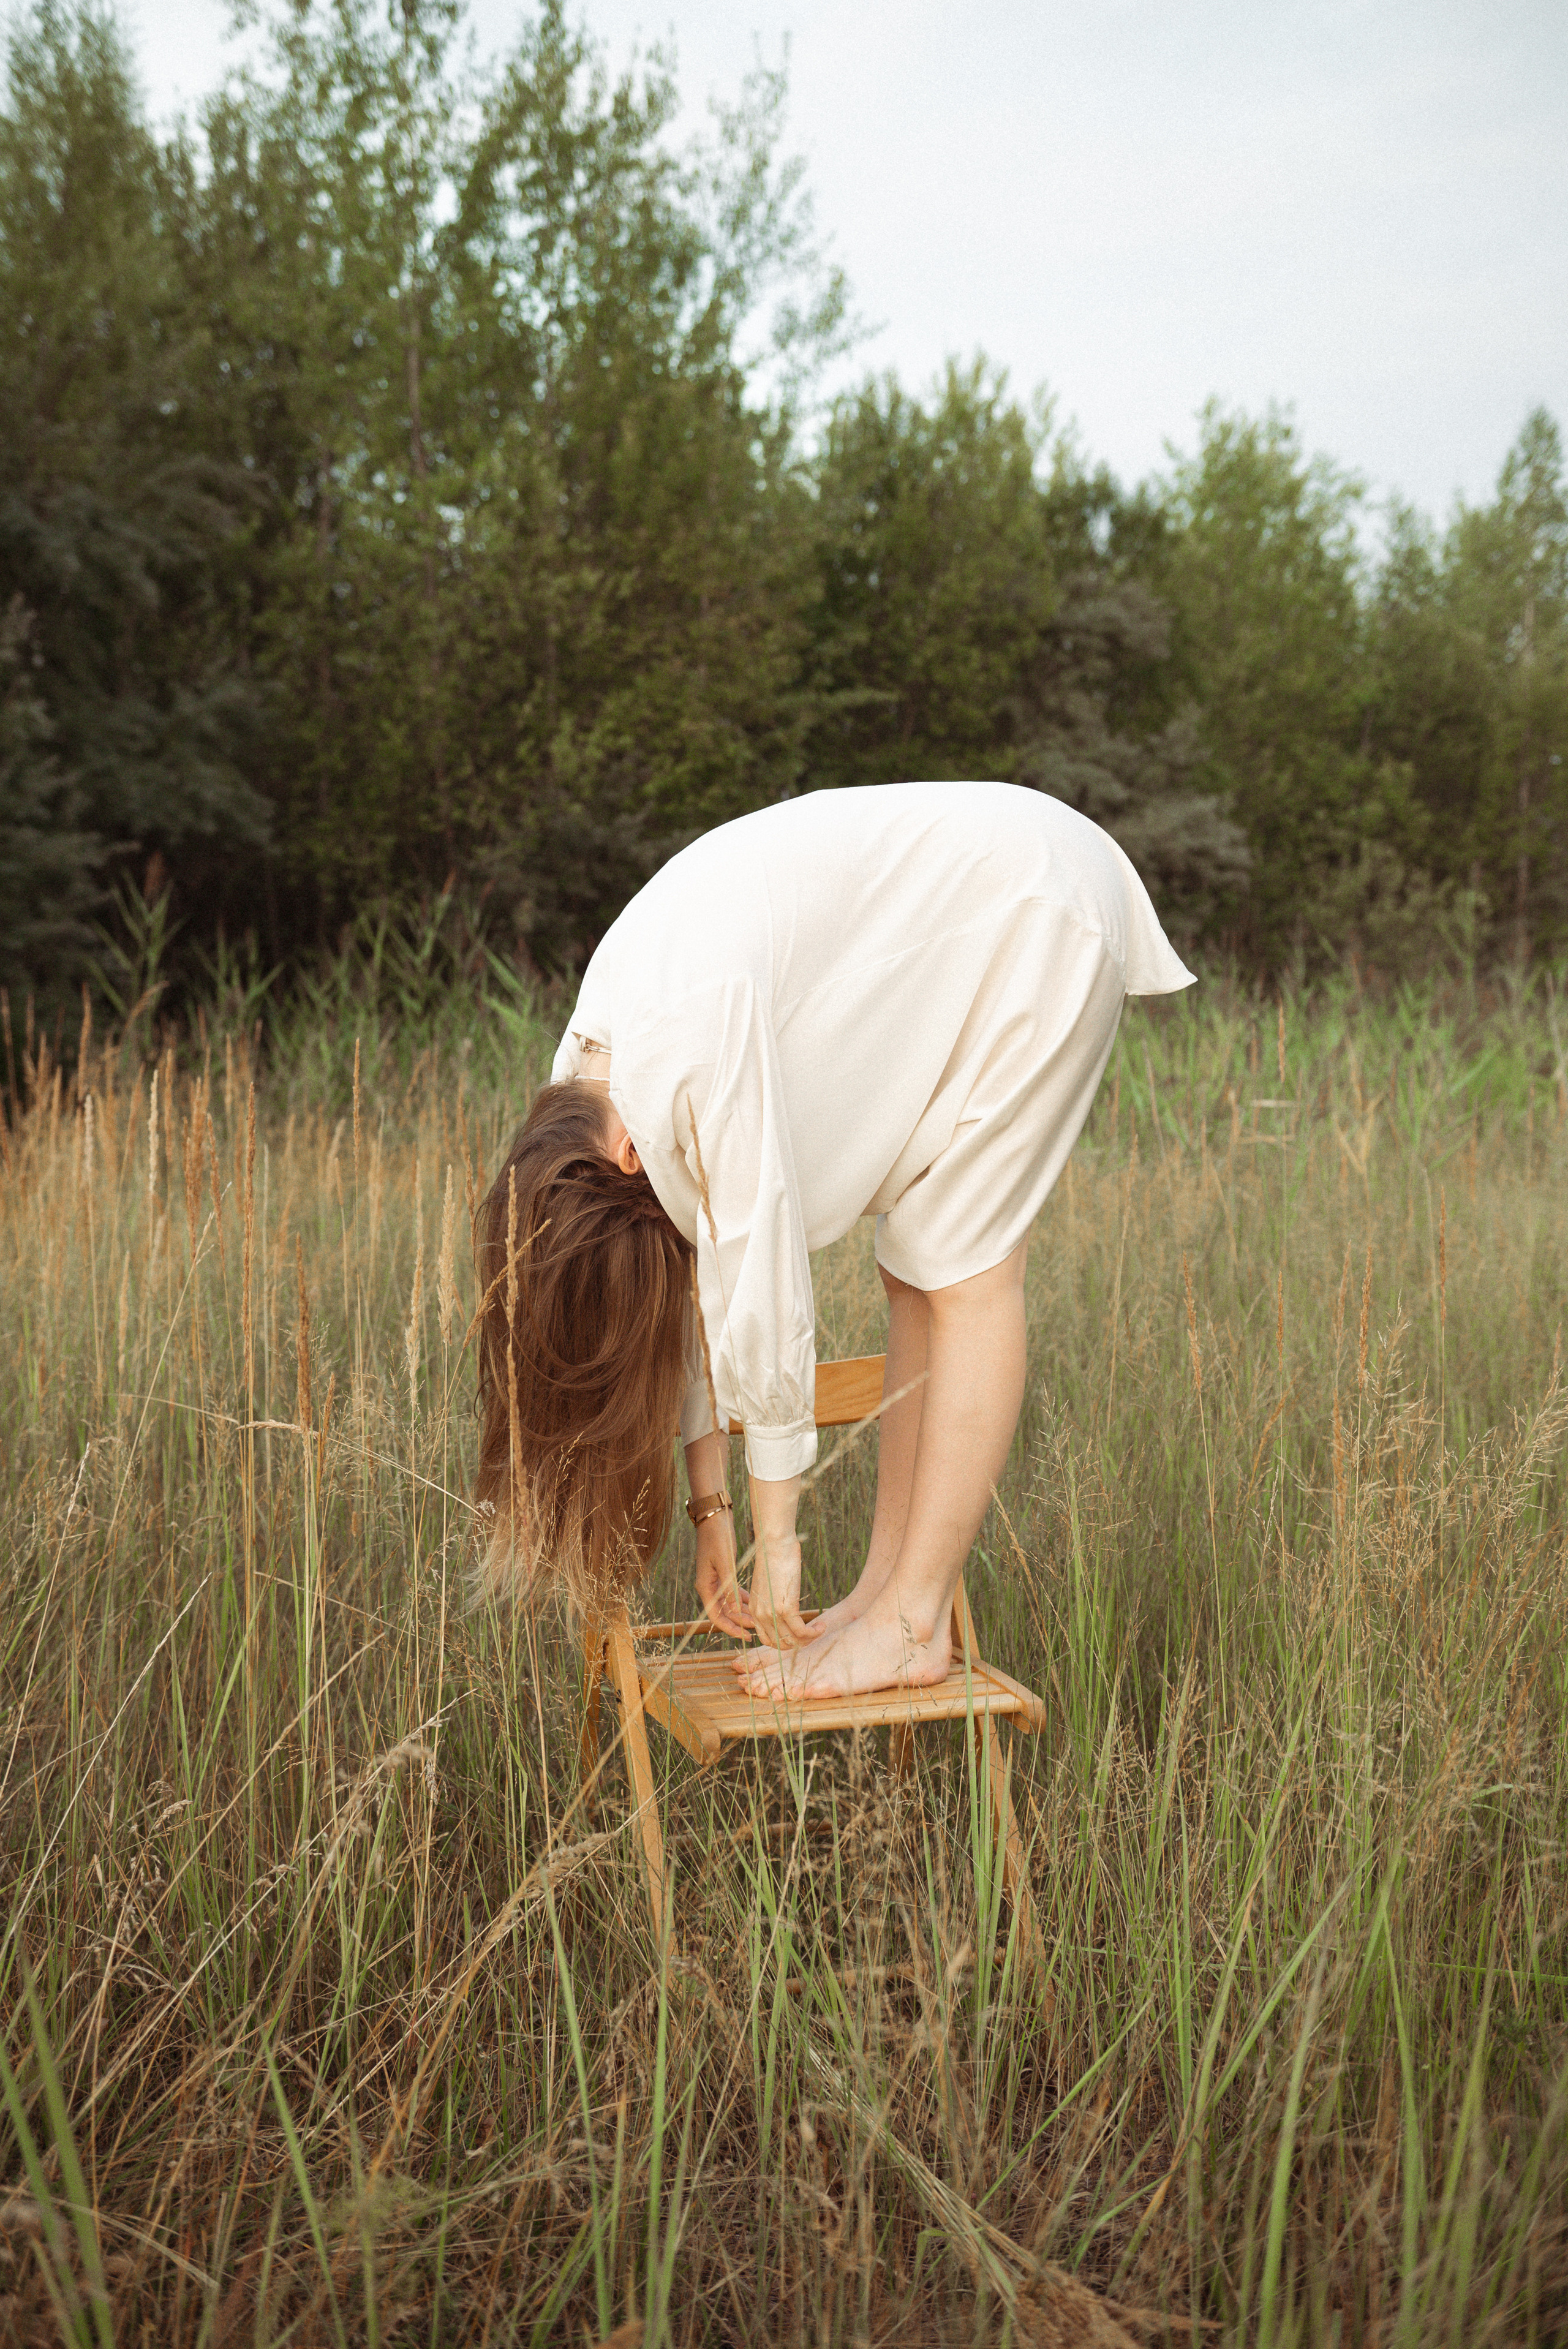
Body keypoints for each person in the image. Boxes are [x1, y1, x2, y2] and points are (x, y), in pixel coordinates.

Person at [474, 782, 1193, 1700]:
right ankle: (882, 1600)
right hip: (967, 916)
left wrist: (780, 1538)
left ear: (622, 1154)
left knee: (968, 1269)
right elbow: (688, 1274)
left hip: (1033, 911)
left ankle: (912, 1623)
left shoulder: (689, 1036)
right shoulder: (586, 1091)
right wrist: (712, 1511)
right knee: (913, 1272)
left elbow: (758, 1267)